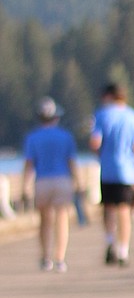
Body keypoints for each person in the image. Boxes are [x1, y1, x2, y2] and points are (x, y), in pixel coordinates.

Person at [22, 98, 81, 272]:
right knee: (62, 218)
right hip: (62, 180)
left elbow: (29, 164)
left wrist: (25, 186)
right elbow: (72, 162)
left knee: (44, 220)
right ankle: (60, 258)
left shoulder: (32, 137)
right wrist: (79, 182)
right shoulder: (66, 136)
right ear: (55, 117)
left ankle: (45, 257)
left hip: (42, 181)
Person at [89, 82, 134, 266]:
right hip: (127, 170)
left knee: (108, 208)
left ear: (109, 96)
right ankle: (123, 250)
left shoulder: (102, 115)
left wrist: (101, 156)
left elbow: (95, 143)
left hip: (108, 169)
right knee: (124, 210)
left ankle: (110, 241)